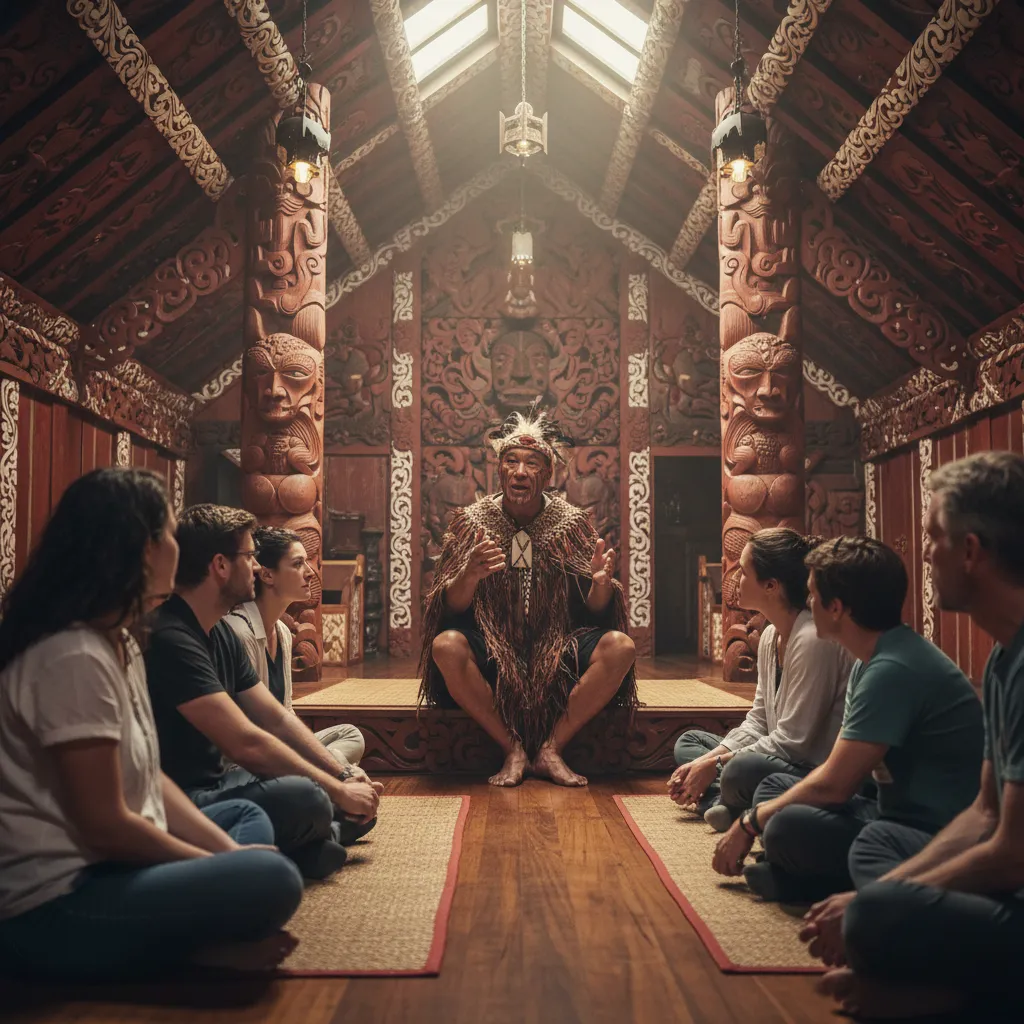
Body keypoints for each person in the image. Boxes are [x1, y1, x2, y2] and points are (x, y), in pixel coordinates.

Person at [0, 469, 302, 981]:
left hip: (118, 861)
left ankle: (186, 943)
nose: (176, 551)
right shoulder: (72, 654)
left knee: (248, 825)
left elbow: (150, 777)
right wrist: (211, 866)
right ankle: (181, 955)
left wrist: (224, 853)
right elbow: (104, 825)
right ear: (142, 549)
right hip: (57, 900)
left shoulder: (117, 640)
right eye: (167, 535)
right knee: (271, 876)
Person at [802, 452, 1024, 1020]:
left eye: (933, 537)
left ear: (970, 551)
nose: (924, 552)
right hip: (995, 871)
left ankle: (952, 997)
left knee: (877, 919)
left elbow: (1012, 855)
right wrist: (875, 897)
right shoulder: (1004, 658)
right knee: (876, 892)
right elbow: (983, 813)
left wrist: (879, 904)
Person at [712, 536, 984, 904]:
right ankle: (799, 878)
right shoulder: (867, 660)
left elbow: (835, 786)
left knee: (788, 825)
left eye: (812, 596)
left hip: (926, 827)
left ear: (836, 607)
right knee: (774, 788)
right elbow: (845, 779)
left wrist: (749, 823)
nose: (807, 605)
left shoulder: (891, 669)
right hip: (880, 804)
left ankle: (824, 885)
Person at [145, 505, 379, 881]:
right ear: (220, 565)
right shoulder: (172, 637)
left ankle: (316, 844)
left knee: (334, 798)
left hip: (222, 784)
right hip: (184, 800)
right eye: (250, 556)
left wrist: (343, 773)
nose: (256, 567)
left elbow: (276, 716)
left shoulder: (216, 630)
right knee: (307, 798)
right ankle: (315, 843)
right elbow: (245, 743)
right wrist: (335, 789)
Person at [421, 410, 637, 787]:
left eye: (532, 463)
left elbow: (595, 613)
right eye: (511, 461)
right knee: (446, 647)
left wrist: (602, 586)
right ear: (500, 470)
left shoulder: (571, 524)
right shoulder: (471, 522)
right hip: (492, 648)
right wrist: (468, 574)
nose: (520, 471)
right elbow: (449, 609)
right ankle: (513, 749)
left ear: (548, 474)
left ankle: (551, 749)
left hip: (558, 649)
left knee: (620, 647)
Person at [668, 528, 854, 831]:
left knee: (740, 769)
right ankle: (726, 803)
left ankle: (727, 804)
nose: (734, 580)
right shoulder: (769, 636)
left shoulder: (812, 639)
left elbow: (794, 744)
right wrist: (705, 762)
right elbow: (759, 721)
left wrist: (714, 765)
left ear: (771, 585)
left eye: (743, 572)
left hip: (808, 767)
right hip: (779, 755)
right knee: (689, 744)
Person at [225, 525, 367, 774]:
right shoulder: (239, 633)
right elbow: (246, 733)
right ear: (267, 575)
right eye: (298, 564)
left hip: (280, 749)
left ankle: (330, 772)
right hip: (250, 760)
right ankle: (337, 775)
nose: (310, 573)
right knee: (328, 773)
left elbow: (285, 712)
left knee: (351, 735)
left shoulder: (281, 632)